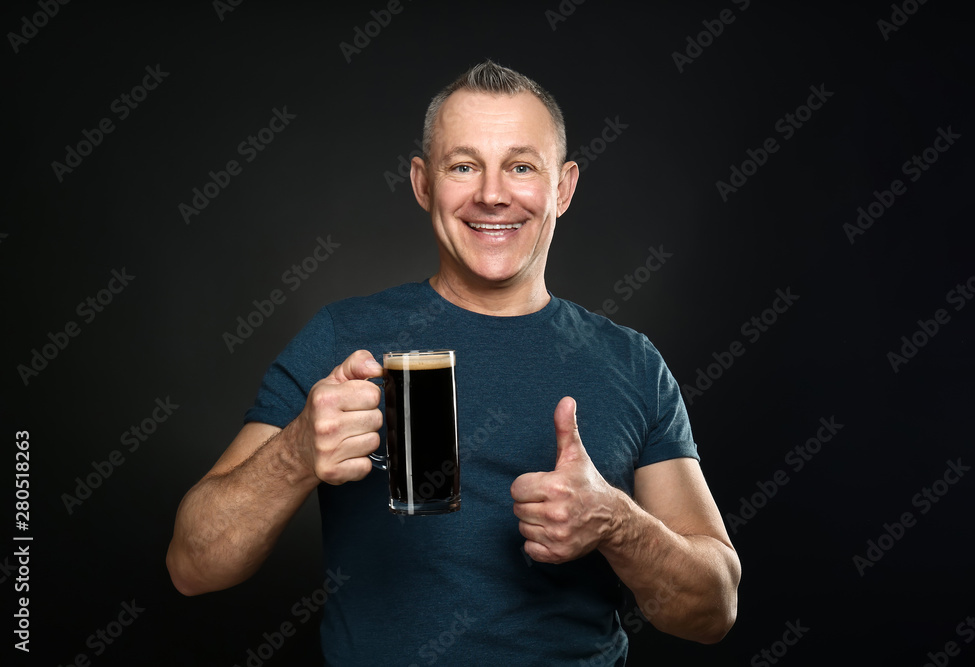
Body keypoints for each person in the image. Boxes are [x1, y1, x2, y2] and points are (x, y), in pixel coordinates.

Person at [166, 60, 740, 665]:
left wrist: (617, 525)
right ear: (421, 183)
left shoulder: (632, 363)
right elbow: (192, 566)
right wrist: (295, 452)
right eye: (463, 166)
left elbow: (714, 610)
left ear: (563, 188)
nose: (492, 195)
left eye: (521, 167)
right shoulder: (342, 338)